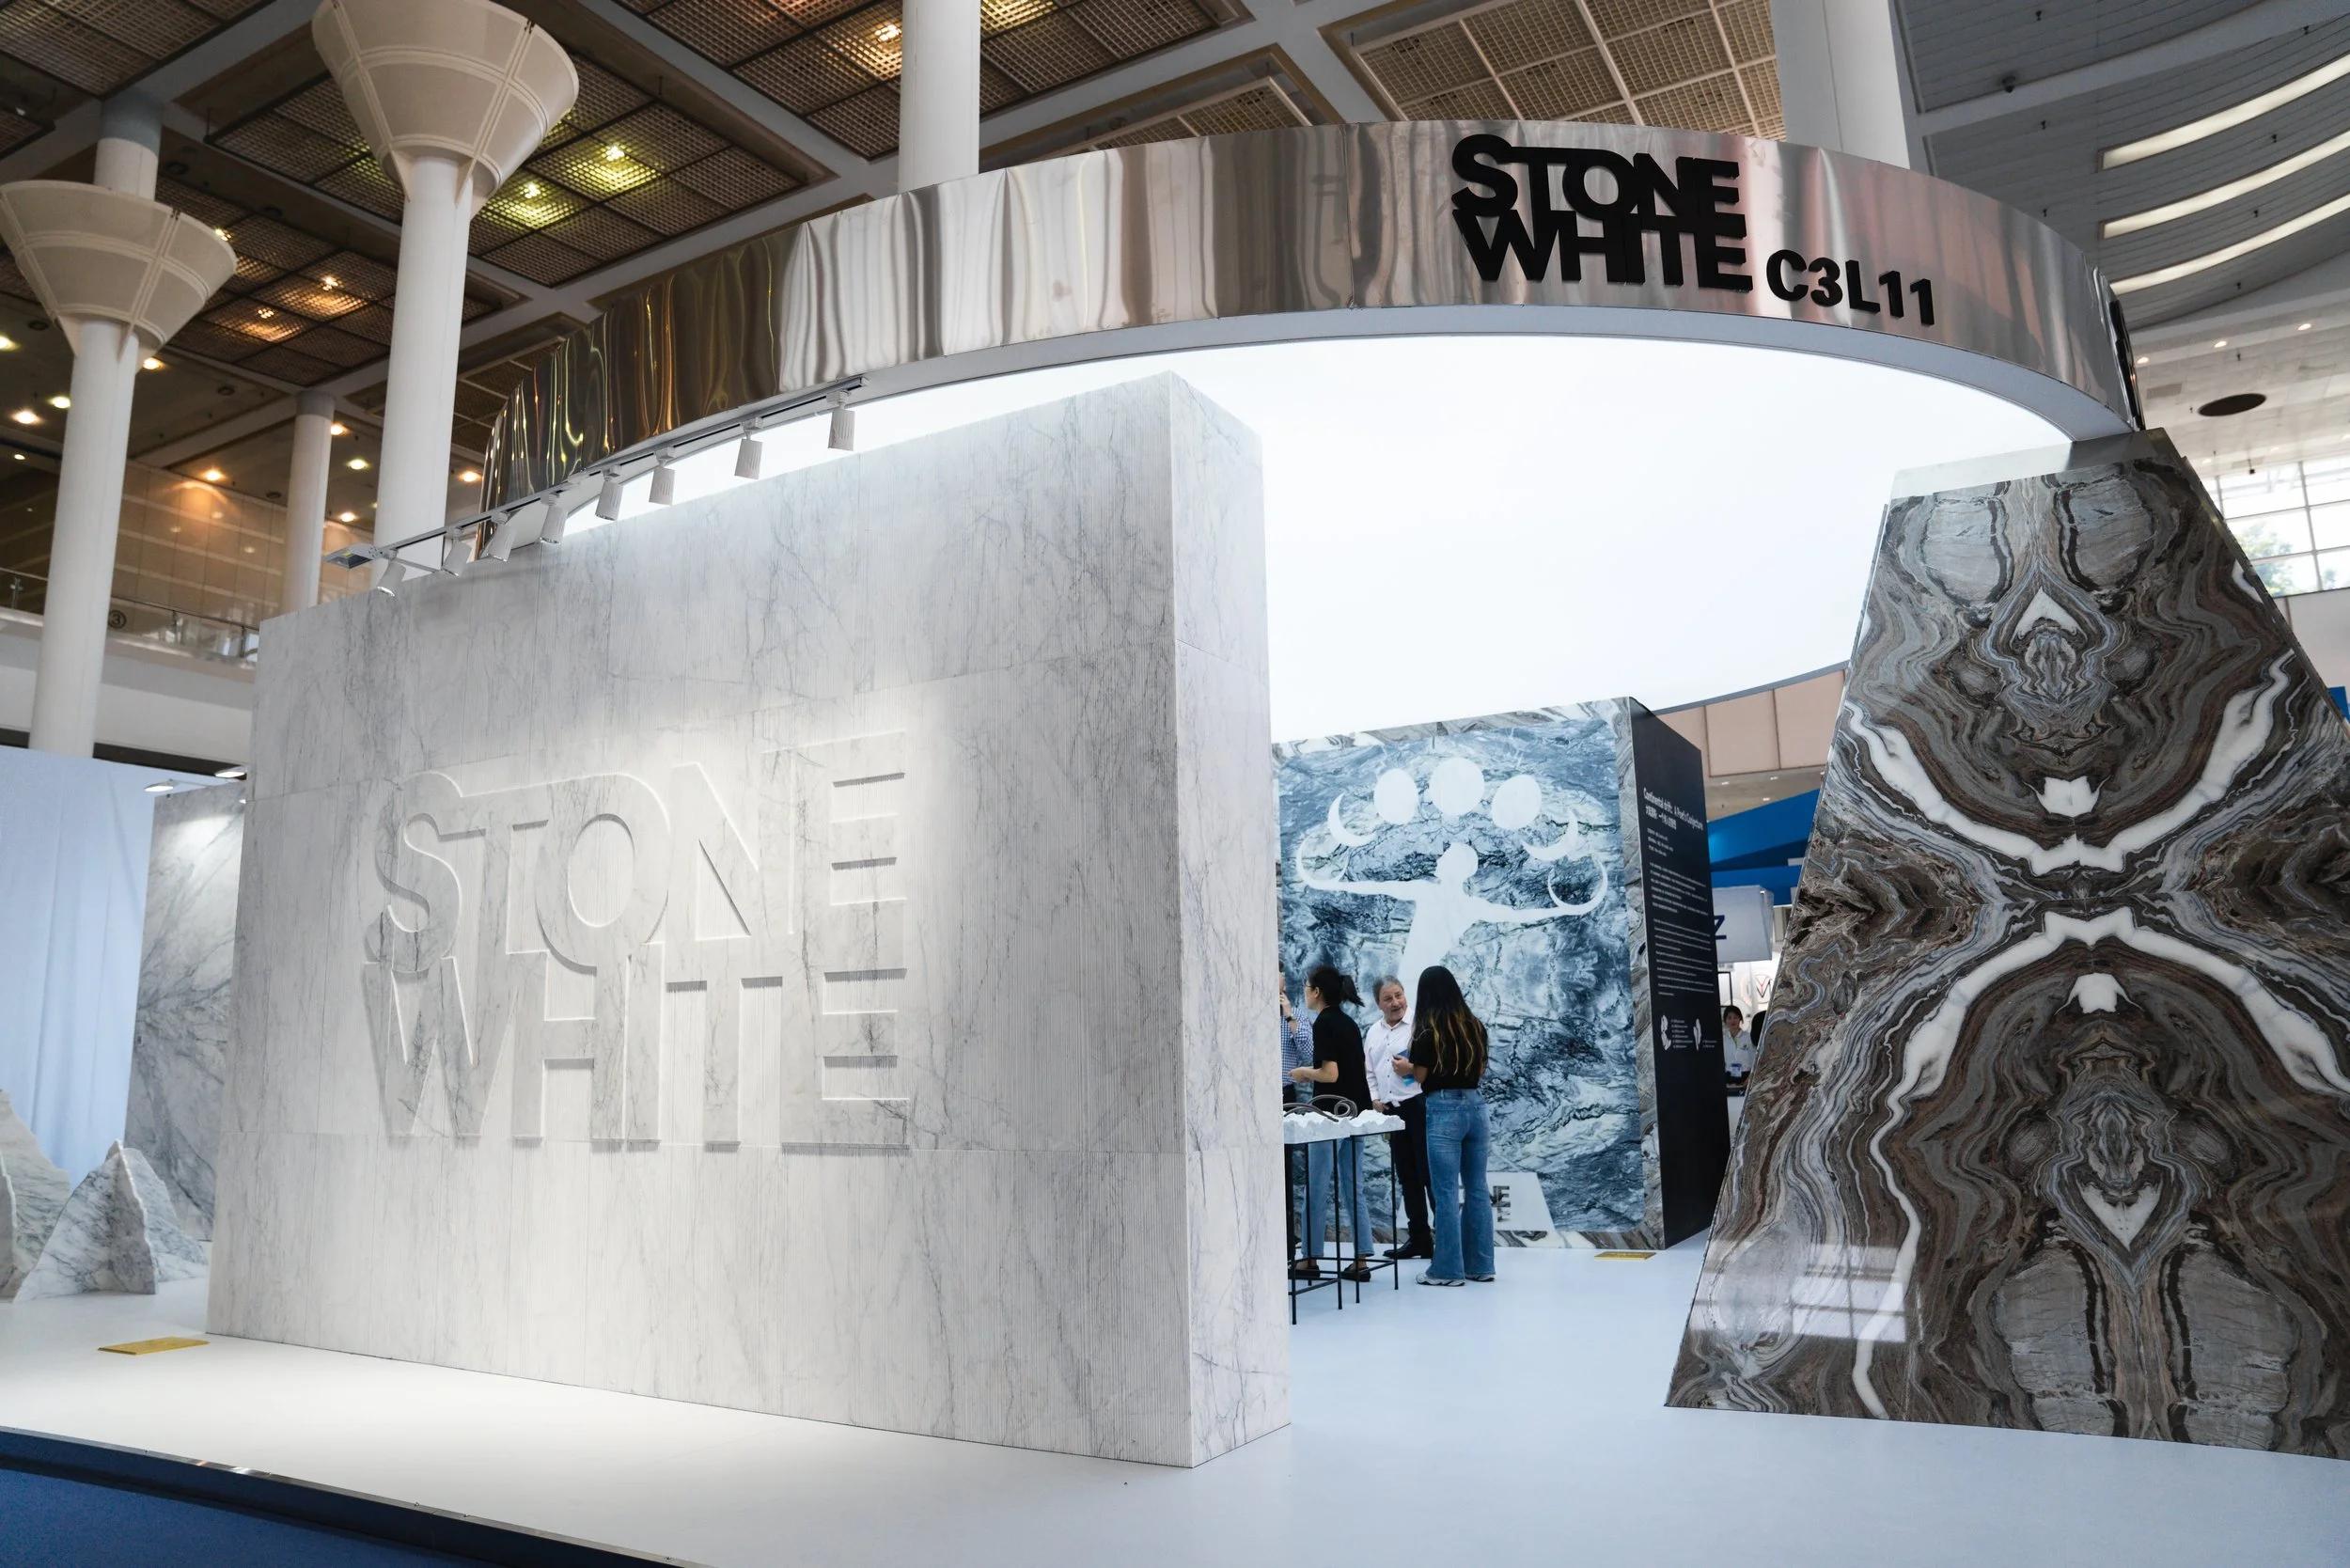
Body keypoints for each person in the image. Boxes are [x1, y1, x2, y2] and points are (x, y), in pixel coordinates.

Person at [1399, 964, 1494, 1286]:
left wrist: (1408, 1067)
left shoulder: (1427, 1032)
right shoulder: (1476, 1026)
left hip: (1442, 1110)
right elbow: (1479, 1071)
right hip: (1476, 1107)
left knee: (1446, 1191)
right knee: (1478, 1189)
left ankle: (1447, 1270)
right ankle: (1481, 1265)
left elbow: (1422, 1077)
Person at [1289, 965, 1373, 1283]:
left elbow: (1330, 1074)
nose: (1305, 991)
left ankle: (1309, 1257)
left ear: (1316, 992)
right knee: (1355, 1187)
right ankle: (1361, 1258)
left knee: (1317, 1186)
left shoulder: (1323, 1023)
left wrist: (1303, 1072)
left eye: (1307, 986)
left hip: (1329, 1116)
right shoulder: (1349, 1023)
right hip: (1356, 1115)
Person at [1364, 975, 1431, 1260]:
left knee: (1429, 1175)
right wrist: (1375, 1097)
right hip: (1392, 1112)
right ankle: (1420, 1241)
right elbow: (1370, 1070)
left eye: (1399, 995)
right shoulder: (1373, 1032)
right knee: (1407, 1178)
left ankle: (1449, 1245)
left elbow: (1432, 1065)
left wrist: (1411, 1068)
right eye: (1388, 999)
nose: (1396, 1003)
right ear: (1378, 1003)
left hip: (1419, 1105)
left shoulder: (1421, 1025)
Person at [1279, 978, 1312, 1259]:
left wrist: (1288, 1015)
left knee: (1285, 1167)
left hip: (1283, 1094)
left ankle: (1287, 1239)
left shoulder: (1296, 1014)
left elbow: (1309, 1054)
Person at [1721, 1005, 1755, 1089]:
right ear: (1725, 1021)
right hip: (1728, 1078)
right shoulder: (1723, 1040)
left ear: (1740, 1019)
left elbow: (1755, 1061)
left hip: (1746, 1077)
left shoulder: (1749, 1037)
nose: (1733, 1020)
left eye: (1735, 1017)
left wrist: (1749, 1080)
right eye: (1729, 1018)